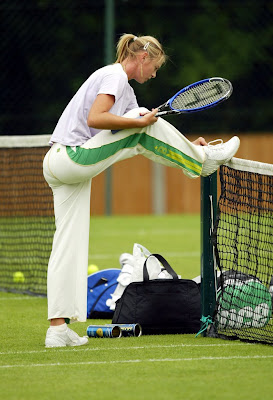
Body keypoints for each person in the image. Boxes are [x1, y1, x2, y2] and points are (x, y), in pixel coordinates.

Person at [43, 33, 240, 348]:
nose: (155, 74)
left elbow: (149, 138)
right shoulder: (114, 76)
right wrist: (144, 124)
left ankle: (57, 329)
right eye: (155, 67)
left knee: (68, 245)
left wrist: (186, 144)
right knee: (139, 122)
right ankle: (202, 163)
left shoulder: (126, 91)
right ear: (143, 58)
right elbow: (100, 118)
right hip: (70, 157)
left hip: (59, 165)